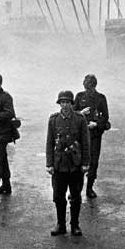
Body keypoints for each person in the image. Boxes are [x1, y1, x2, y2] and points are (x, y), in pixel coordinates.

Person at [46, 91, 90, 236]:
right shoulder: (53, 120)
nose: (65, 105)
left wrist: (85, 163)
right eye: (62, 102)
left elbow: (86, 142)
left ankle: (75, 225)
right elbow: (49, 143)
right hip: (59, 165)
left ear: (72, 103)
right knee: (59, 196)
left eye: (67, 102)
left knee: (76, 196)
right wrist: (49, 164)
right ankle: (61, 224)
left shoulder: (80, 119)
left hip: (75, 164)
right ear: (59, 104)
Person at [73, 74, 109, 198]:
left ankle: (89, 188)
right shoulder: (79, 97)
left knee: (93, 162)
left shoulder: (101, 98)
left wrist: (97, 124)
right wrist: (80, 113)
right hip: (80, 135)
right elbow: (71, 114)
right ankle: (76, 191)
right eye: (85, 87)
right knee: (78, 161)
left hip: (94, 135)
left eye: (89, 88)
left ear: (94, 86)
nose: (87, 90)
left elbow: (105, 117)